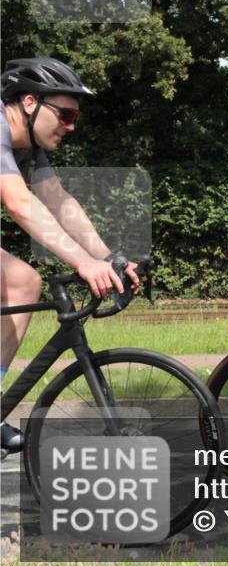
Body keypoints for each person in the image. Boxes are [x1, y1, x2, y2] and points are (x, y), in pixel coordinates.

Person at [0, 57, 140, 453]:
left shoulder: (25, 146)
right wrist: (81, 262)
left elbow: (60, 203)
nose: (71, 125)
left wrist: (108, 257)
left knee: (24, 280)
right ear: (29, 102)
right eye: (64, 114)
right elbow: (18, 203)